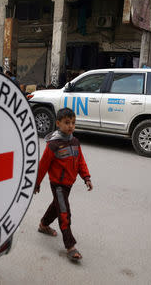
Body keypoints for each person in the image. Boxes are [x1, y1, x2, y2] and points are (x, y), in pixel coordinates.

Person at [34, 107, 93, 261]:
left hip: (69, 183)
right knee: (64, 212)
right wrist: (37, 183)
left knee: (57, 205)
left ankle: (43, 225)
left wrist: (86, 177)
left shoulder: (75, 141)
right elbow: (43, 165)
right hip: (58, 184)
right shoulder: (53, 145)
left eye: (73, 123)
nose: (71, 126)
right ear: (58, 123)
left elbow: (80, 161)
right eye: (67, 123)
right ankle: (70, 246)